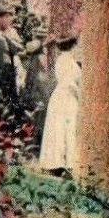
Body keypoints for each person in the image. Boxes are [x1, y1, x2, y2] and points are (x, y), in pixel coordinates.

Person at [38, 36, 81, 175]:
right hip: (66, 98)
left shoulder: (64, 60)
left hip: (61, 98)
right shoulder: (68, 62)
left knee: (60, 129)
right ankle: (64, 164)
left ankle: (61, 163)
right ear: (73, 47)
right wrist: (80, 94)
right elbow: (70, 83)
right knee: (65, 129)